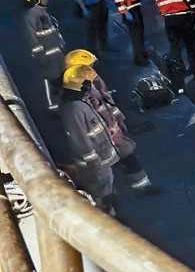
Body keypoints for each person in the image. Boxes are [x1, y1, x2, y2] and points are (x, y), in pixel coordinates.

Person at [59, 64, 157, 214]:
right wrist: (93, 161)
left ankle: (138, 191)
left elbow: (104, 109)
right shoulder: (74, 109)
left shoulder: (83, 99)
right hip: (96, 157)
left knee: (113, 180)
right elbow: (79, 139)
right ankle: (111, 221)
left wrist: (117, 122)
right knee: (103, 192)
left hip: (106, 146)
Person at [150, 0, 195, 93]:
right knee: (191, 45)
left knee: (175, 48)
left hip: (169, 21)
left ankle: (179, 73)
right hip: (184, 18)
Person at [23, 0, 65, 110]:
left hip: (56, 54)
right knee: (50, 81)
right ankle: (52, 106)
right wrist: (41, 56)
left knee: (59, 80)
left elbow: (53, 32)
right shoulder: (31, 15)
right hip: (47, 56)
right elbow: (32, 39)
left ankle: (61, 102)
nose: (47, 0)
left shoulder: (43, 12)